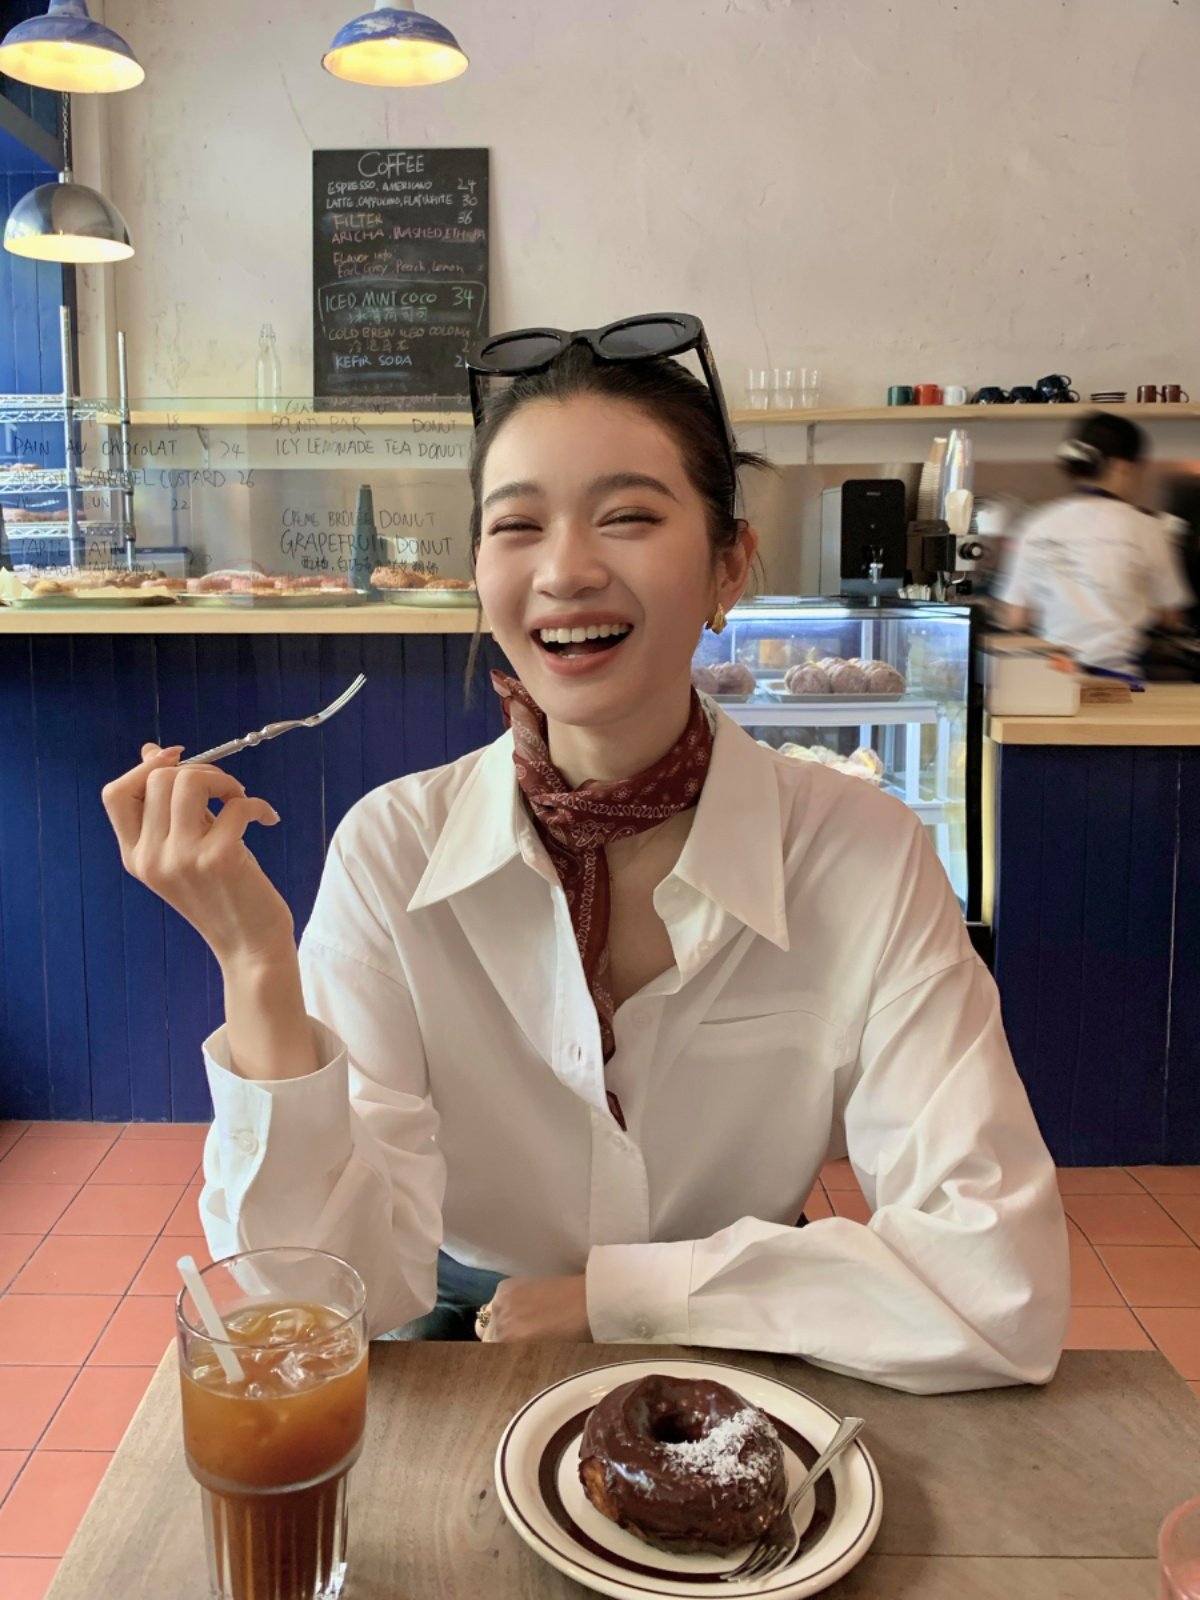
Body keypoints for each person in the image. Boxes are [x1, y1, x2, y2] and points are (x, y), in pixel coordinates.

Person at [101, 314, 1068, 1395]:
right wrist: (255, 969)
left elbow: (999, 1283)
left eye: (629, 516)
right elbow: (325, 1294)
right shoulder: (393, 850)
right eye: (518, 525)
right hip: (465, 1356)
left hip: (748, 1342)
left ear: (729, 567)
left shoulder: (861, 854)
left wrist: (622, 1300)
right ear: (480, 571)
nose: (564, 570)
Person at [997, 411, 1193, 671]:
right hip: (1117, 679)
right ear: (1122, 467)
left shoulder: (1036, 524)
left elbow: (1015, 618)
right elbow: (1171, 616)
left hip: (1054, 677)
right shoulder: (1147, 528)